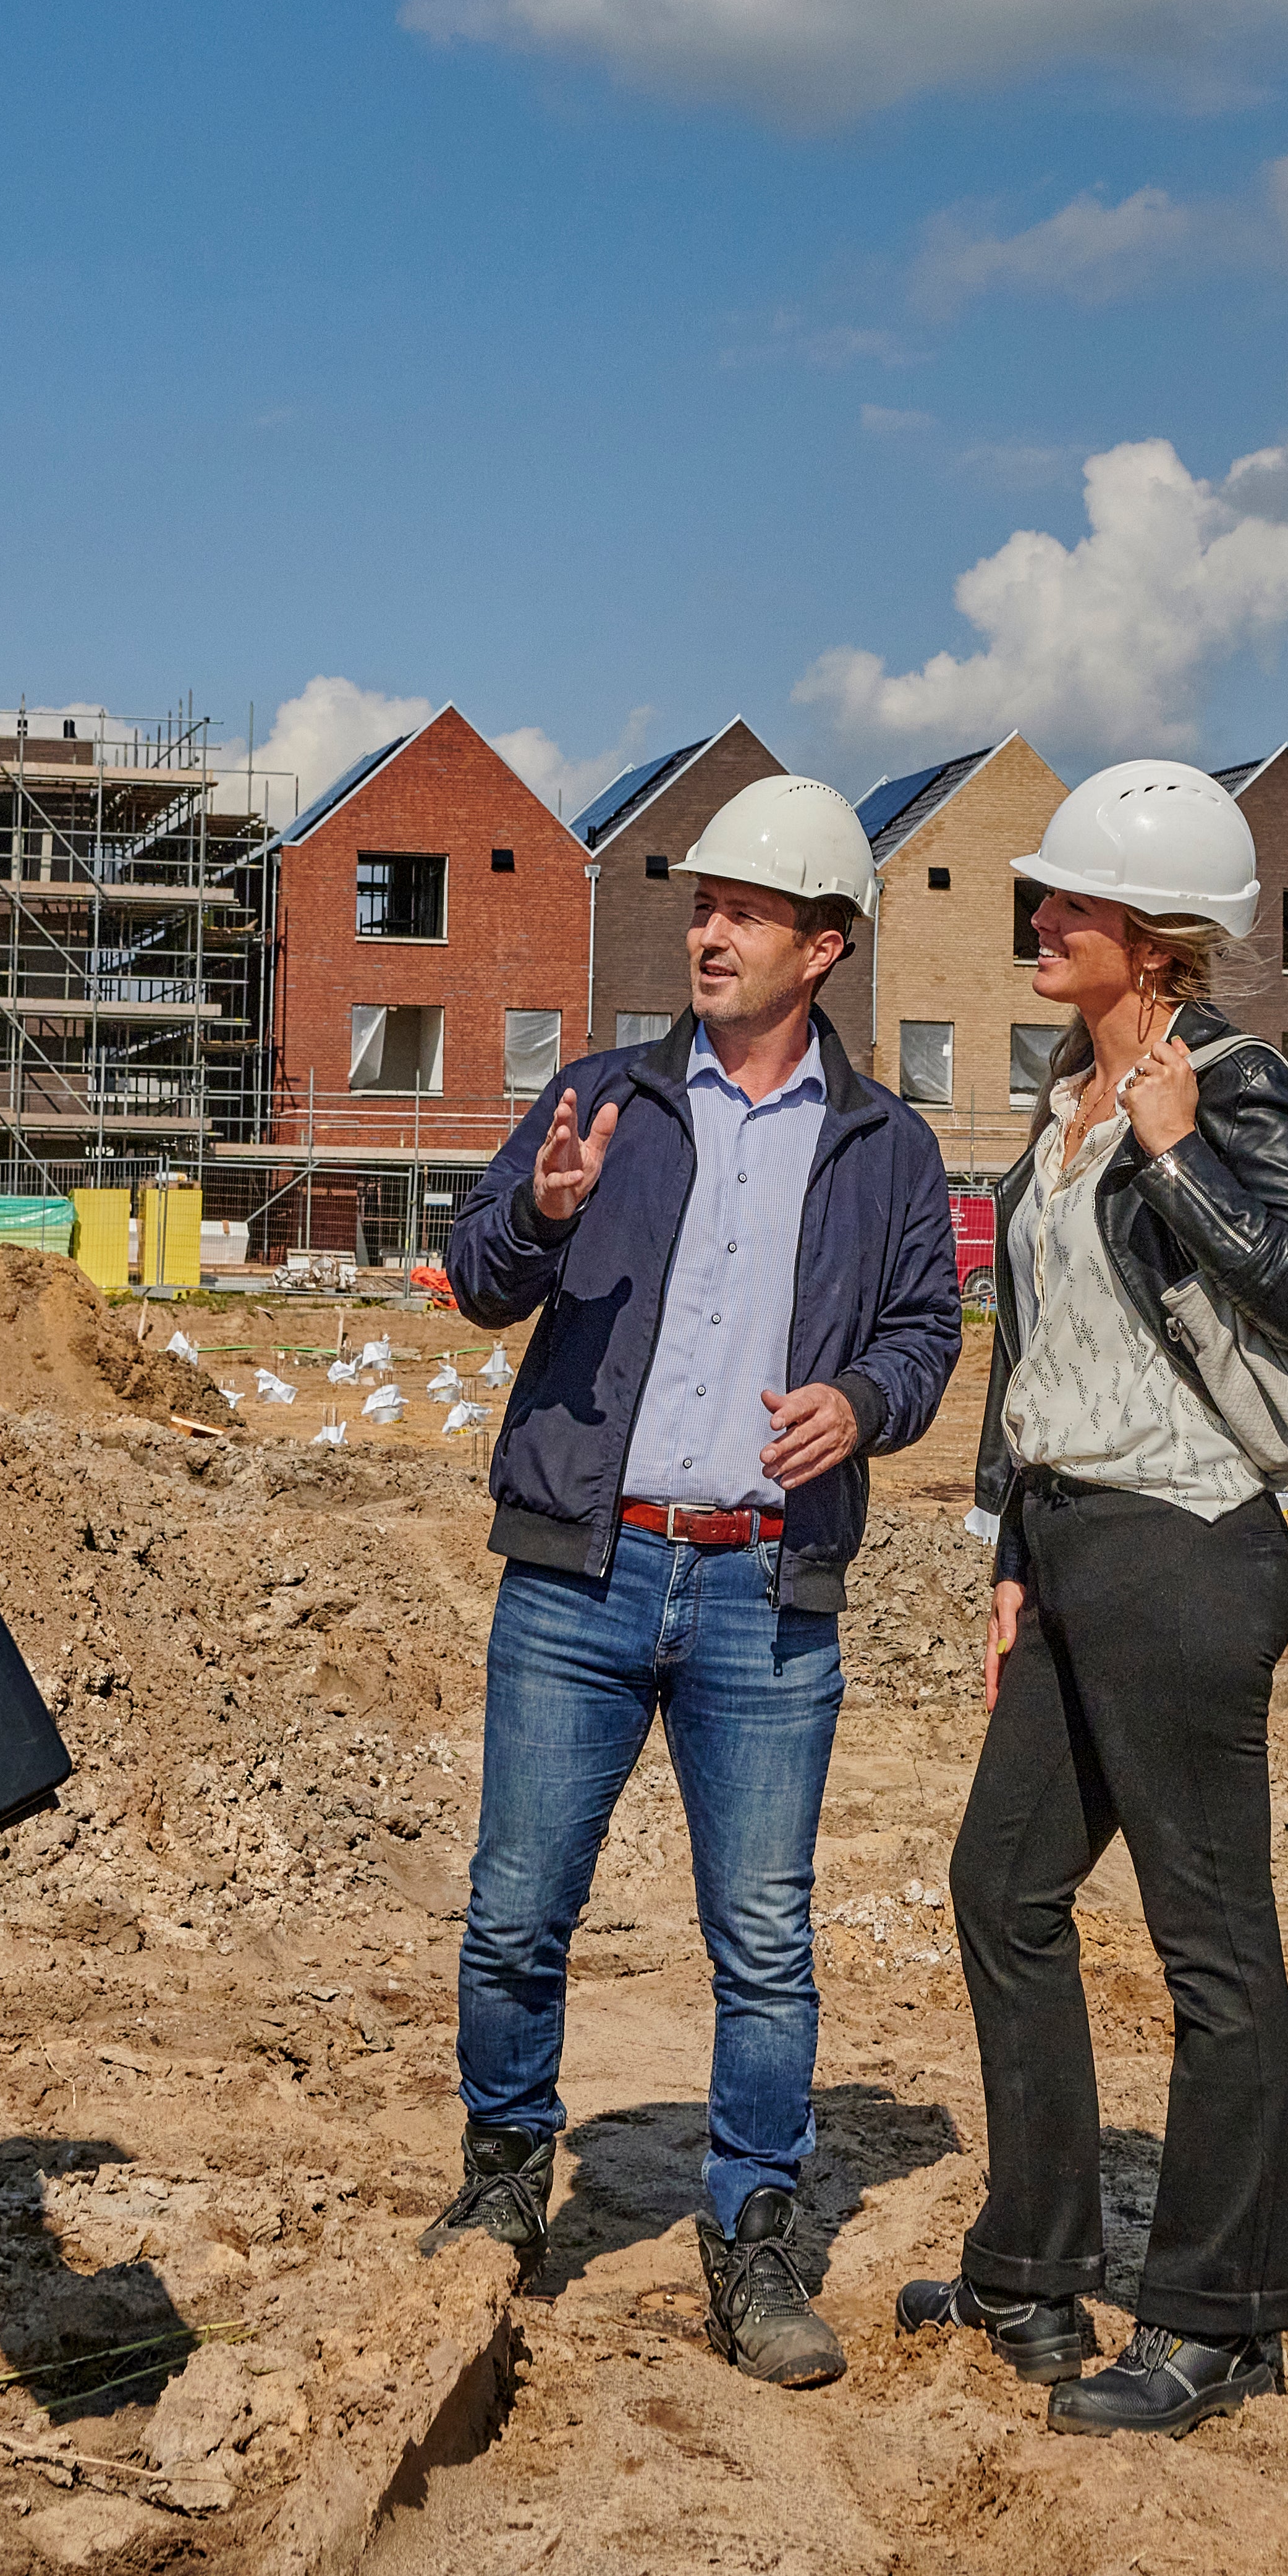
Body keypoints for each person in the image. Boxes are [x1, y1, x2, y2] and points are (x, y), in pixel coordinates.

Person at [431, 774, 967, 2385]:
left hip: (765, 1593)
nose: (709, 930)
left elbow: (928, 1336)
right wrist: (535, 1212)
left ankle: (751, 2234)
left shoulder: (885, 1147)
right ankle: (508, 2181)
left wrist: (864, 1406)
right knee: (518, 1913)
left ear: (827, 944)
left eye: (745, 910)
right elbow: (471, 1274)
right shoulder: (602, 1098)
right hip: (582, 1580)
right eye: (702, 904)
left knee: (766, 1939)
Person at [896, 757, 1288, 2437]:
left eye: (1072, 901)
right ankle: (1031, 2265)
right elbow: (1044, 1350)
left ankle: (1225, 2317)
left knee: (1209, 1943)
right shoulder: (1059, 1096)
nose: (1041, 918)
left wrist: (1174, 1161)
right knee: (1003, 1888)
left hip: (1185, 1552)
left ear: (1158, 941)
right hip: (1079, 1545)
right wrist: (1012, 1542)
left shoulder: (1223, 1088)